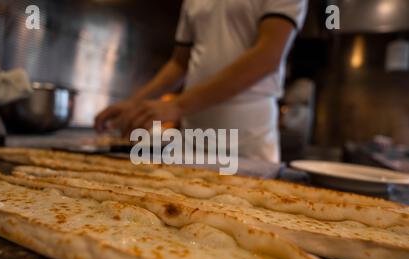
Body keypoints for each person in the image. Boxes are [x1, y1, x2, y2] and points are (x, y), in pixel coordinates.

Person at [95, 0, 308, 163]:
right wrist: (135, 103)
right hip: (193, 134)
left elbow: (267, 57)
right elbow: (180, 63)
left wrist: (177, 105)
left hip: (246, 137)